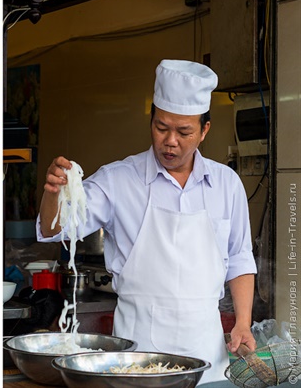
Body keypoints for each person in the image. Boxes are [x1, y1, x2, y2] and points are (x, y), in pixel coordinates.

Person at [37, 59, 257, 383]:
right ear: (151, 120)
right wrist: (53, 193)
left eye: (184, 132)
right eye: (161, 127)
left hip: (207, 358)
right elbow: (54, 229)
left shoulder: (227, 184)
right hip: (138, 359)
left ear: (204, 130)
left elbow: (239, 258)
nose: (171, 140)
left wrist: (243, 322)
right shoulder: (117, 180)